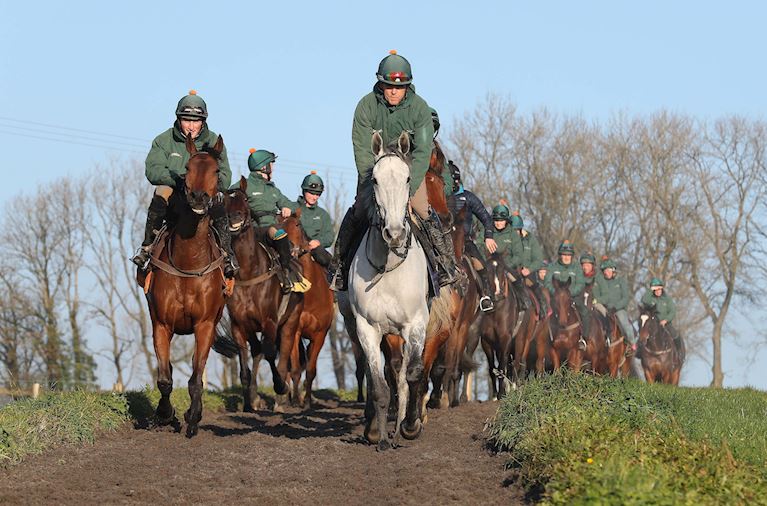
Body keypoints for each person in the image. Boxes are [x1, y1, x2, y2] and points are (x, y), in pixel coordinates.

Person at [330, 50, 456, 290]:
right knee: (358, 212)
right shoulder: (365, 106)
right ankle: (339, 267)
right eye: (388, 86)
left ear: (408, 86)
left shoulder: (419, 109)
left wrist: (408, 189)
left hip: (408, 174)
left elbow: (421, 152)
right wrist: (375, 180)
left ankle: (445, 264)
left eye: (400, 86)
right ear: (381, 83)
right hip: (375, 175)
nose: (394, 91)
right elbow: (361, 149)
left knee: (424, 211)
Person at [132, 90, 237, 278]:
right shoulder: (164, 140)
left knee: (220, 201)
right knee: (161, 191)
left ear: (203, 121)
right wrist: (179, 180)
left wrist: (209, 185)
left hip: (205, 197)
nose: (191, 125)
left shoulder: (213, 141)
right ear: (178, 119)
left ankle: (228, 254)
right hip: (176, 195)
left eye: (196, 121)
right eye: (186, 120)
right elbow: (152, 170)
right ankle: (147, 247)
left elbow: (226, 176)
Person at [242, 148, 302, 293]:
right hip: (249, 229)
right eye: (271, 164)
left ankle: (286, 272)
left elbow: (293, 205)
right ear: (264, 167)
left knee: (281, 235)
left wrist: (288, 208)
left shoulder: (273, 190)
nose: (273, 168)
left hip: (269, 228)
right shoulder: (243, 185)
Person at [447, 162, 497, 311]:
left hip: (465, 241)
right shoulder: (439, 196)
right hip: (442, 239)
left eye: (453, 180)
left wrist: (488, 236)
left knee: (480, 264)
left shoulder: (468, 197)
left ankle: (485, 297)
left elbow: (486, 218)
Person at [544, 240, 588, 349]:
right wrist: (556, 294)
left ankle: (583, 338)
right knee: (543, 311)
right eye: (564, 255)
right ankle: (543, 338)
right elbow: (547, 282)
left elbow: (580, 283)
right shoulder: (552, 267)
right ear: (560, 255)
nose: (566, 257)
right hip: (556, 298)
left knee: (585, 312)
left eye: (568, 255)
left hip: (573, 297)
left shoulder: (577, 267)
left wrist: (569, 294)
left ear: (572, 256)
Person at [483, 202, 528, 309]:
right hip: (489, 265)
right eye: (496, 220)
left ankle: (523, 300)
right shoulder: (487, 231)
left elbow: (518, 255)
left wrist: (506, 264)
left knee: (516, 280)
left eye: (501, 220)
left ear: (506, 221)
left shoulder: (513, 234)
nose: (498, 223)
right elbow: (480, 245)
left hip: (507, 267)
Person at [592, 257, 637, 355]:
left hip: (618, 309)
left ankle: (631, 343)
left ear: (613, 270)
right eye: (605, 271)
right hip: (604, 308)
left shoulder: (620, 281)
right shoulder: (600, 281)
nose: (606, 272)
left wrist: (616, 307)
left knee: (624, 323)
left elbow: (625, 297)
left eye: (608, 270)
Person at [510, 211, 548, 316]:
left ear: (520, 230)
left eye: (516, 230)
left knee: (535, 288)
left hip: (527, 274)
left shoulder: (530, 239)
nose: (514, 234)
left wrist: (529, 269)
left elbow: (538, 260)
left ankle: (543, 309)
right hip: (510, 271)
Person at [295, 171, 334, 268]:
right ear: (304, 191)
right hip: (295, 249)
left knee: (333, 265)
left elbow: (329, 237)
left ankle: (336, 281)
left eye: (318, 194)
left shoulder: (323, 214)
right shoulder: (293, 209)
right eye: (312, 193)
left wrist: (318, 242)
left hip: (315, 251)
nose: (315, 197)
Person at [640, 278, 682, 349]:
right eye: (655, 289)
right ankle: (639, 351)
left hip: (665, 323)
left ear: (662, 289)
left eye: (659, 289)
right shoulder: (650, 299)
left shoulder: (667, 299)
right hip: (652, 323)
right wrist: (650, 289)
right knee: (643, 335)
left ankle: (679, 355)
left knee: (675, 335)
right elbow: (644, 300)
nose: (657, 291)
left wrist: (666, 320)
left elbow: (672, 311)